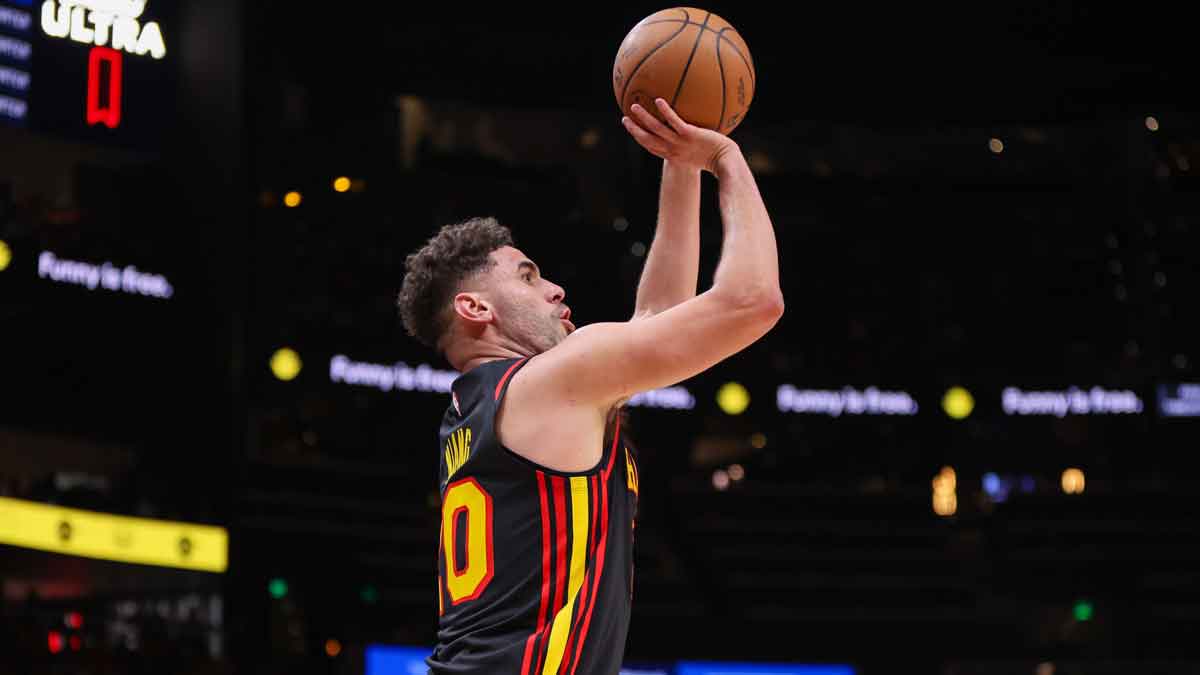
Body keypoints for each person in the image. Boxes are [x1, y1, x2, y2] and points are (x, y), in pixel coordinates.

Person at [397, 98, 783, 675]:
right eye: (528, 276)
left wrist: (680, 164)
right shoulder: (549, 385)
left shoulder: (489, 403)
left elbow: (656, 321)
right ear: (475, 307)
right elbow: (754, 301)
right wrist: (725, 158)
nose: (555, 288)